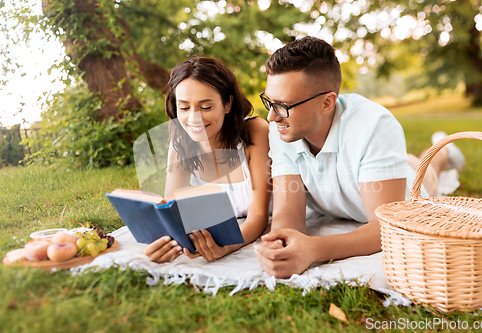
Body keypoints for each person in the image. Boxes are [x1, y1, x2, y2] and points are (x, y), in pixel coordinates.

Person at [254, 36, 464, 279]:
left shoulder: (375, 125)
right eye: (269, 101)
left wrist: (314, 249)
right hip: (362, 174)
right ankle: (405, 159)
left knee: (426, 173)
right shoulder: (283, 128)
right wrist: (280, 241)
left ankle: (442, 151)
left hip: (403, 189)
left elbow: (387, 227)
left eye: (283, 105)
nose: (271, 117)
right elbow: (287, 211)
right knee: (404, 161)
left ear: (327, 103)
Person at [145, 56, 272, 263]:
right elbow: (173, 212)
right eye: (184, 108)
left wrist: (225, 248)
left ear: (228, 104)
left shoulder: (255, 132)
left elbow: (258, 217)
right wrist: (165, 243)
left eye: (205, 107)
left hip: (259, 225)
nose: (194, 118)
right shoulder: (180, 145)